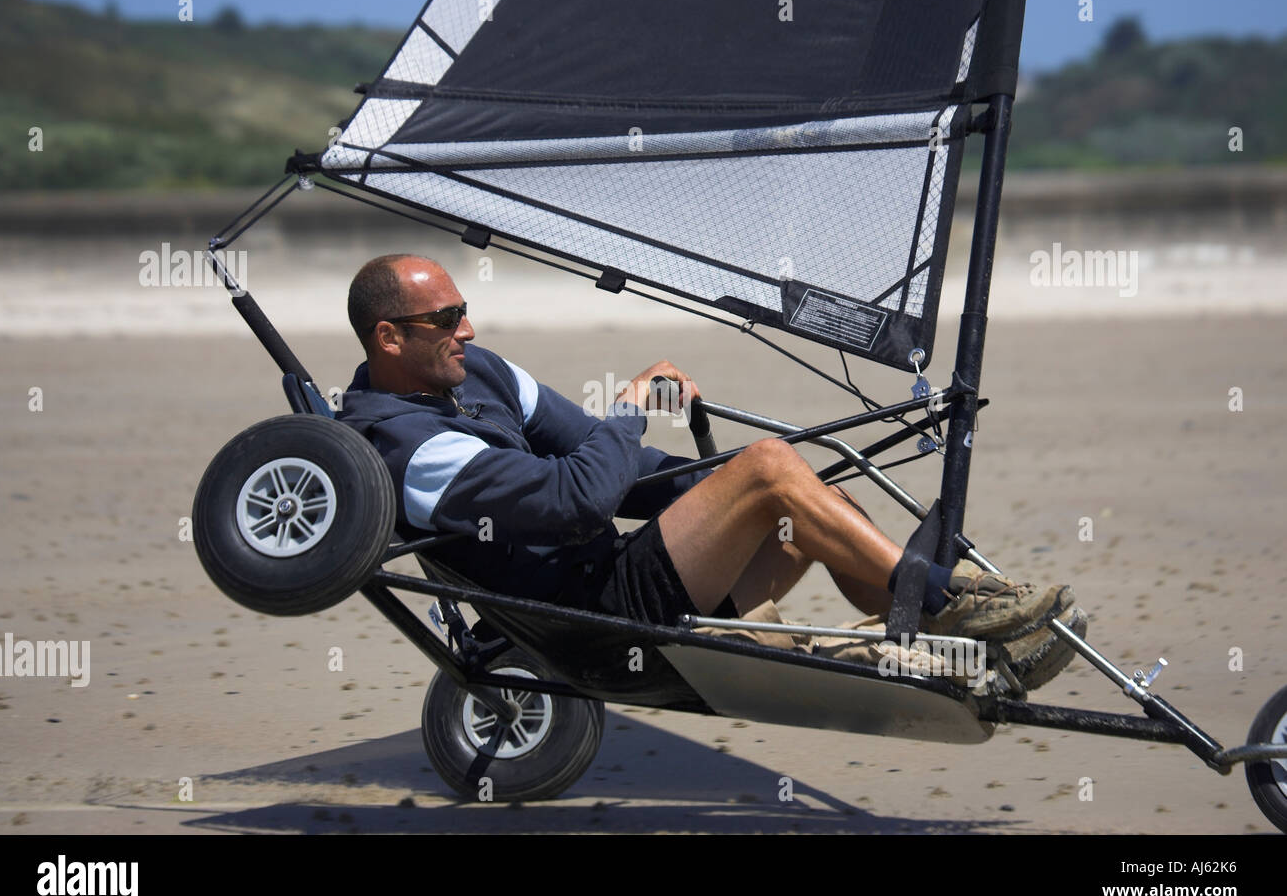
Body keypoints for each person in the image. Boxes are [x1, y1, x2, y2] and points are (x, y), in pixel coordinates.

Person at [335, 254, 1087, 689]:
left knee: (807, 500)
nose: (466, 329)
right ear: (389, 337)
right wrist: (634, 405)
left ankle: (943, 630)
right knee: (766, 472)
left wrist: (721, 490)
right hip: (593, 619)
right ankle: (946, 600)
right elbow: (580, 499)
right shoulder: (410, 450)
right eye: (444, 321)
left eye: (464, 310)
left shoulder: (478, 373)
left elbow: (611, 460)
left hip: (625, 577)